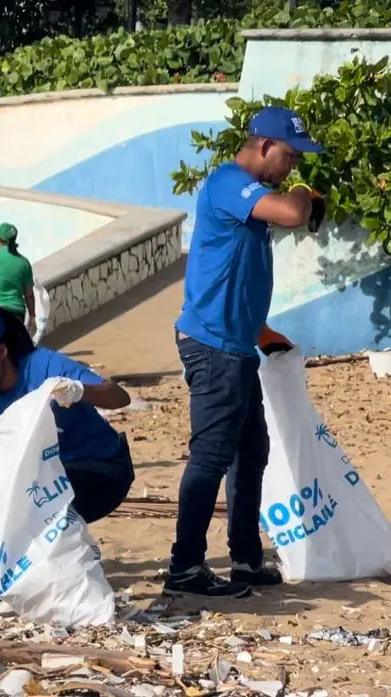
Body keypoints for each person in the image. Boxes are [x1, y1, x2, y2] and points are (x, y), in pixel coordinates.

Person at [165, 105, 323, 599]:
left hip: (235, 345)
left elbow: (233, 278)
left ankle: (245, 559)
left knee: (250, 452)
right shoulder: (229, 183)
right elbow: (295, 213)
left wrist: (263, 333)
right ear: (266, 147)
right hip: (211, 347)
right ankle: (185, 566)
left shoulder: (248, 210)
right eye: (291, 158)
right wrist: (303, 195)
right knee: (211, 456)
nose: (291, 169)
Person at [0, 308, 135, 563]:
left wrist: (80, 391)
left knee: (27, 499)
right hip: (36, 481)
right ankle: (17, 569)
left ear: (2, 351)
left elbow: (119, 397)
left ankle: (69, 554)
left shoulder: (45, 366)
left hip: (99, 471)